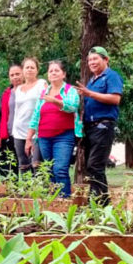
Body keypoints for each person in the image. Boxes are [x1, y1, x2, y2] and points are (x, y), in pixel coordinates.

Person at [74, 46, 123, 205]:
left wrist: (89, 93)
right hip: (90, 128)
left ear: (106, 60)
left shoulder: (111, 76)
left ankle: (99, 204)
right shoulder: (92, 80)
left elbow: (115, 99)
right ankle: (101, 202)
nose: (92, 62)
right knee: (93, 167)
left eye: (95, 59)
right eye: (89, 60)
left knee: (95, 165)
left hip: (103, 126)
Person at [25, 60, 80, 197]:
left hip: (64, 136)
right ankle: (55, 203)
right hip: (43, 137)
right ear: (48, 75)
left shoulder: (69, 90)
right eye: (51, 71)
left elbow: (73, 106)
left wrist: (55, 101)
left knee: (60, 169)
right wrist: (29, 138)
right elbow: (36, 116)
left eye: (57, 70)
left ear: (63, 74)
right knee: (49, 170)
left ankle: (65, 203)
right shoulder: (44, 92)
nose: (53, 73)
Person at [12, 57, 47, 175]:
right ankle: (27, 193)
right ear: (23, 70)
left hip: (36, 130)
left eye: (32, 67)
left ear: (37, 70)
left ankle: (41, 192)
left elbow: (45, 105)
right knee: (23, 165)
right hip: (18, 131)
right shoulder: (18, 89)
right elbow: (17, 110)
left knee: (37, 164)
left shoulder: (41, 84)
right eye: (27, 67)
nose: (29, 70)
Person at [0, 64, 23, 177]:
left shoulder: (31, 91)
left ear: (23, 74)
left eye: (17, 74)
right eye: (12, 75)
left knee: (28, 165)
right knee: (10, 166)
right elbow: (0, 115)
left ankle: (31, 192)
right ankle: (13, 192)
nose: (15, 77)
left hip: (27, 134)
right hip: (10, 135)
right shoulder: (7, 94)